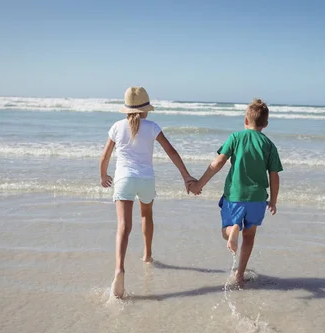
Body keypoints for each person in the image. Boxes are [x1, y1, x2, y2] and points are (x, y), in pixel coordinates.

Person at [100, 86, 196, 298]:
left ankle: (119, 269)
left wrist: (103, 175)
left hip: (124, 178)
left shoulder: (117, 126)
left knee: (123, 226)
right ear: (145, 110)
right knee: (146, 215)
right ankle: (147, 255)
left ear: (126, 109)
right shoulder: (152, 127)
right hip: (146, 180)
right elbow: (171, 151)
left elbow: (105, 155)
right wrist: (186, 176)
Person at [189, 99, 283, 284]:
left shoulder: (235, 137)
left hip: (234, 196)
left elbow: (218, 163)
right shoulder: (269, 145)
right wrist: (273, 200)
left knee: (227, 231)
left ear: (245, 120)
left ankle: (233, 229)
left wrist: (199, 184)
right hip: (257, 199)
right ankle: (239, 274)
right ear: (265, 124)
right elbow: (274, 175)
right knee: (249, 236)